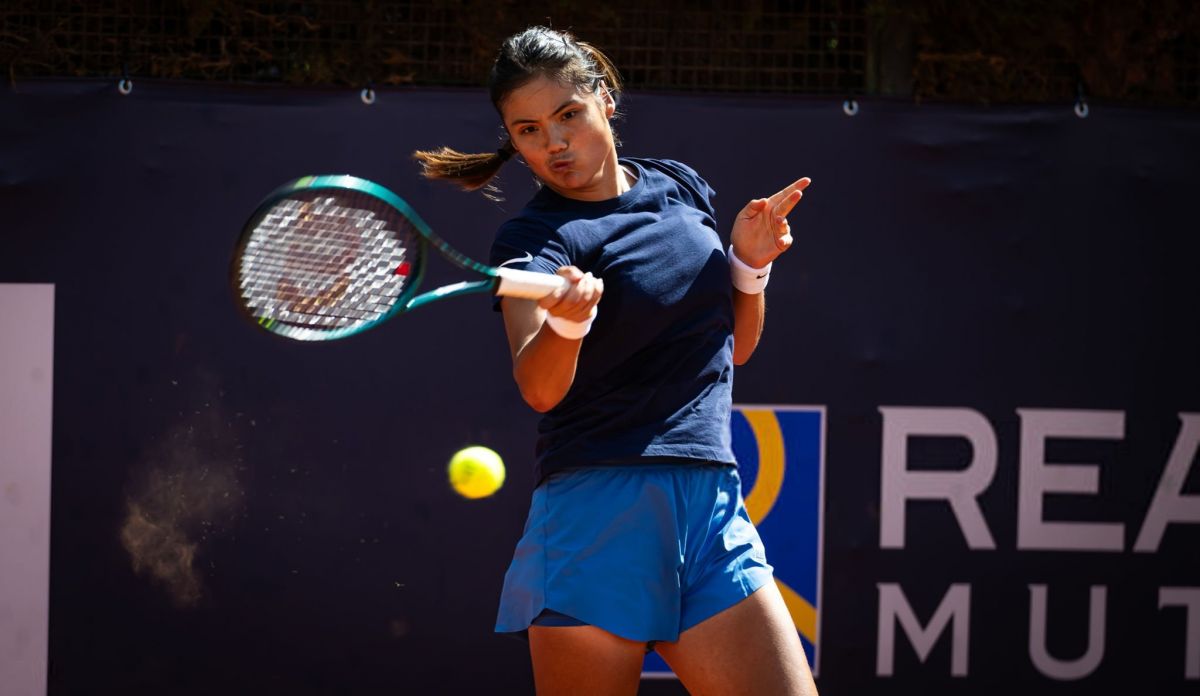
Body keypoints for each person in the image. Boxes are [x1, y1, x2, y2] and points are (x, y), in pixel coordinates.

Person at [415, 26, 817, 696]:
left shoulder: (680, 187)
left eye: (567, 115)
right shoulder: (533, 241)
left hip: (712, 504)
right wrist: (568, 327)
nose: (554, 144)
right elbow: (538, 386)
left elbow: (732, 348)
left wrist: (748, 266)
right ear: (513, 141)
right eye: (529, 131)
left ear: (603, 100)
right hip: (598, 513)